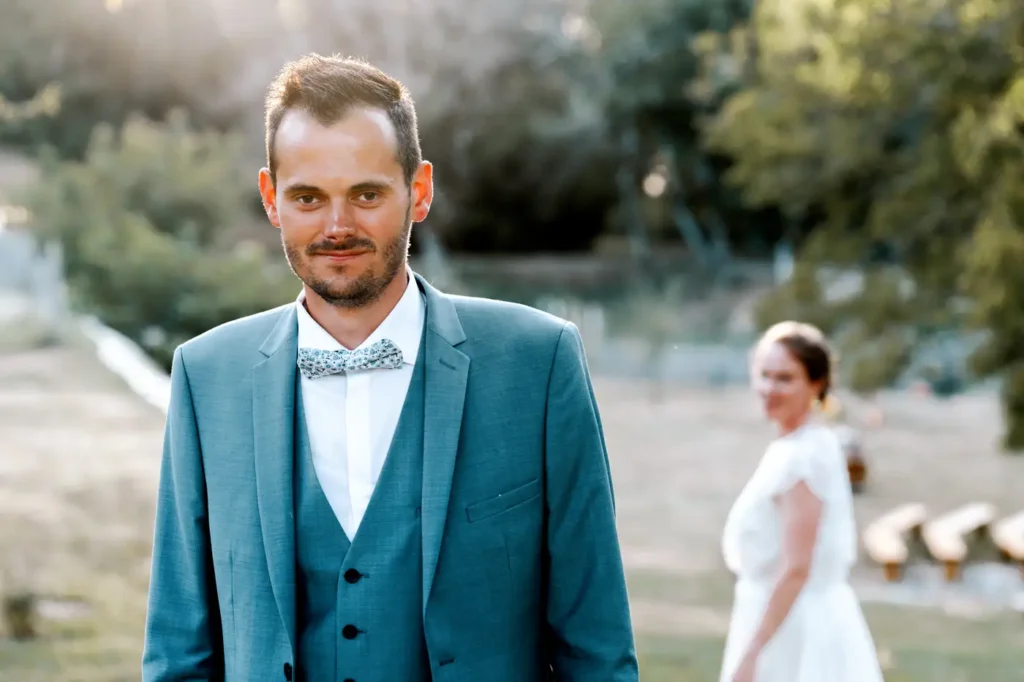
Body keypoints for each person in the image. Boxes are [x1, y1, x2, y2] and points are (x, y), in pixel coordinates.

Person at [142, 53, 638, 682]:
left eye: (367, 194)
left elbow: (597, 649)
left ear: (420, 191)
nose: (337, 225)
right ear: (271, 199)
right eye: (307, 197)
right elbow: (179, 652)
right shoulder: (205, 376)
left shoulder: (537, 363)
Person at [719, 321, 884, 682]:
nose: (769, 388)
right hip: (777, 619)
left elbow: (797, 569)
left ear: (816, 384)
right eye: (764, 374)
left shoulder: (805, 457)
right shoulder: (793, 449)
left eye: (785, 378)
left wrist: (752, 655)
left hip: (797, 633)